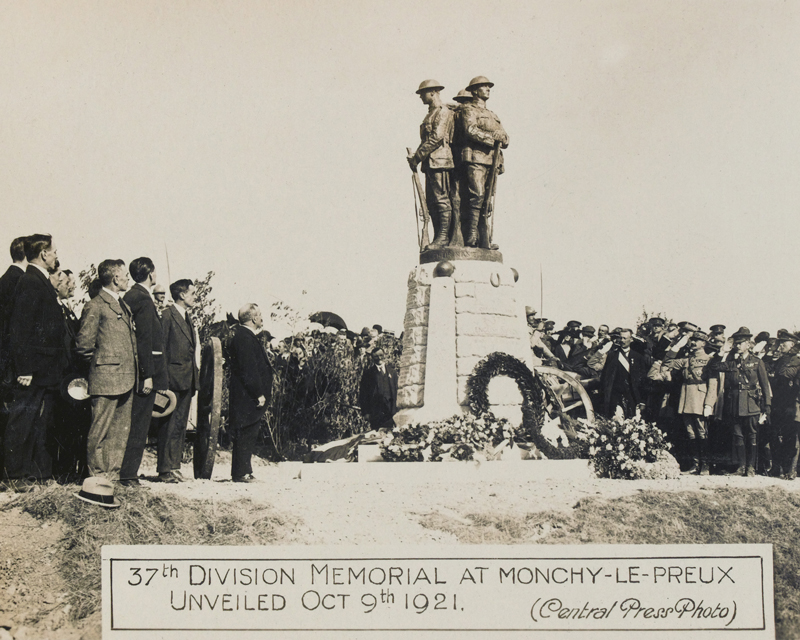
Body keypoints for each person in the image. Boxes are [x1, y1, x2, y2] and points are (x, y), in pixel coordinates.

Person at [2, 235, 66, 489]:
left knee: (38, 422)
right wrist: (25, 368)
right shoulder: (30, 281)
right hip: (33, 369)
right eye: (53, 251)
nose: (55, 255)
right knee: (22, 421)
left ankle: (33, 474)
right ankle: (13, 476)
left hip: (44, 368)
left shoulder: (37, 280)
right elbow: (21, 328)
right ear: (43, 255)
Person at [75, 259, 137, 481]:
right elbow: (84, 346)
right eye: (125, 275)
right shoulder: (95, 305)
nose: (128, 278)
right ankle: (98, 477)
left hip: (126, 378)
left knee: (120, 432)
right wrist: (103, 367)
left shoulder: (123, 305)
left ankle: (112, 477)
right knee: (100, 430)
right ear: (115, 278)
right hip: (106, 378)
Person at [119, 258, 168, 487]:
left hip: (132, 371)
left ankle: (126, 472)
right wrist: (148, 374)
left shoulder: (131, 295)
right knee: (139, 424)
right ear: (150, 274)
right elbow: (145, 339)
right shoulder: (144, 300)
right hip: (143, 374)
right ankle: (129, 474)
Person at [706, 327, 771, 477]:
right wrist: (722, 351)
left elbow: (765, 385)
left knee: (752, 436)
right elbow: (714, 366)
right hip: (734, 404)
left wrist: (767, 406)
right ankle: (741, 467)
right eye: (736, 343)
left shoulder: (756, 362)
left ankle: (750, 467)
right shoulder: (731, 362)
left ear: (748, 344)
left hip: (750, 404)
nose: (737, 346)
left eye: (741, 343)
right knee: (737, 435)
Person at [460, 75, 508, 248]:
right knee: (477, 195)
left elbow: (505, 137)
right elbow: (470, 130)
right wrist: (491, 139)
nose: (488, 89)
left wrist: (502, 139)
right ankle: (471, 234)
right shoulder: (469, 110)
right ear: (474, 91)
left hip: (493, 161)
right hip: (476, 158)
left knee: (488, 199)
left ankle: (484, 237)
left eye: (489, 87)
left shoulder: (492, 114)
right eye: (484, 86)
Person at [157, 278, 198, 482]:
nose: (194, 296)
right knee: (169, 425)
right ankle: (165, 469)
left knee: (180, 425)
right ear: (182, 295)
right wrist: (162, 382)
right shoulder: (167, 315)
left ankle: (174, 466)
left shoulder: (186, 317)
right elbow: (162, 349)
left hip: (187, 380)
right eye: (192, 293)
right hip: (172, 381)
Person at [659, 331, 715, 474]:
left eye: (697, 340)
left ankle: (706, 465)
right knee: (691, 432)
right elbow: (665, 364)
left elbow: (713, 383)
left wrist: (709, 403)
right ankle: (695, 464)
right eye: (692, 340)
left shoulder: (709, 360)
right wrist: (676, 348)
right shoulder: (686, 360)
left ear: (704, 343)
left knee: (702, 432)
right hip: (686, 397)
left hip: (700, 398)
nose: (693, 342)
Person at [228, 304, 273, 482]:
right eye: (260, 315)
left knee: (248, 431)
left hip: (247, 395)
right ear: (253, 318)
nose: (262, 318)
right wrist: (258, 393)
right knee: (246, 431)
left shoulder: (244, 336)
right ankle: (241, 473)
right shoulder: (244, 337)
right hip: (247, 396)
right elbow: (249, 369)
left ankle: (244, 470)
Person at [409, 80, 456, 249]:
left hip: (440, 161)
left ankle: (443, 238)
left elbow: (436, 137)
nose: (421, 96)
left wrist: (417, 157)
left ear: (433, 92)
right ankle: (438, 237)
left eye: (423, 93)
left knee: (441, 200)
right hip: (431, 163)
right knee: (431, 202)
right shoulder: (431, 113)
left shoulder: (443, 112)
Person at [599, 328, 652, 418]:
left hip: (632, 395)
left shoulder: (638, 357)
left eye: (625, 338)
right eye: (621, 338)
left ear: (631, 339)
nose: (622, 341)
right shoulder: (612, 355)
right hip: (615, 395)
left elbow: (643, 380)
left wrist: (643, 400)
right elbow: (605, 376)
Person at [768, 334, 800, 478]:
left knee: (789, 438)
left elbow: (786, 376)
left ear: (792, 345)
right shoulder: (778, 360)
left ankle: (789, 469)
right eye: (779, 344)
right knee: (774, 436)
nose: (780, 346)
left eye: (783, 344)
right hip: (777, 404)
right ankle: (776, 468)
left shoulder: (795, 361)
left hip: (790, 404)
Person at [359, 348, 398, 430]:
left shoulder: (392, 372)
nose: (379, 358)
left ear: (384, 355)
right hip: (375, 412)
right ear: (372, 358)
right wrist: (366, 412)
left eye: (381, 355)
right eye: (376, 356)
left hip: (391, 412)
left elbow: (397, 391)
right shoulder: (368, 374)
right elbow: (363, 394)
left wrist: (396, 410)